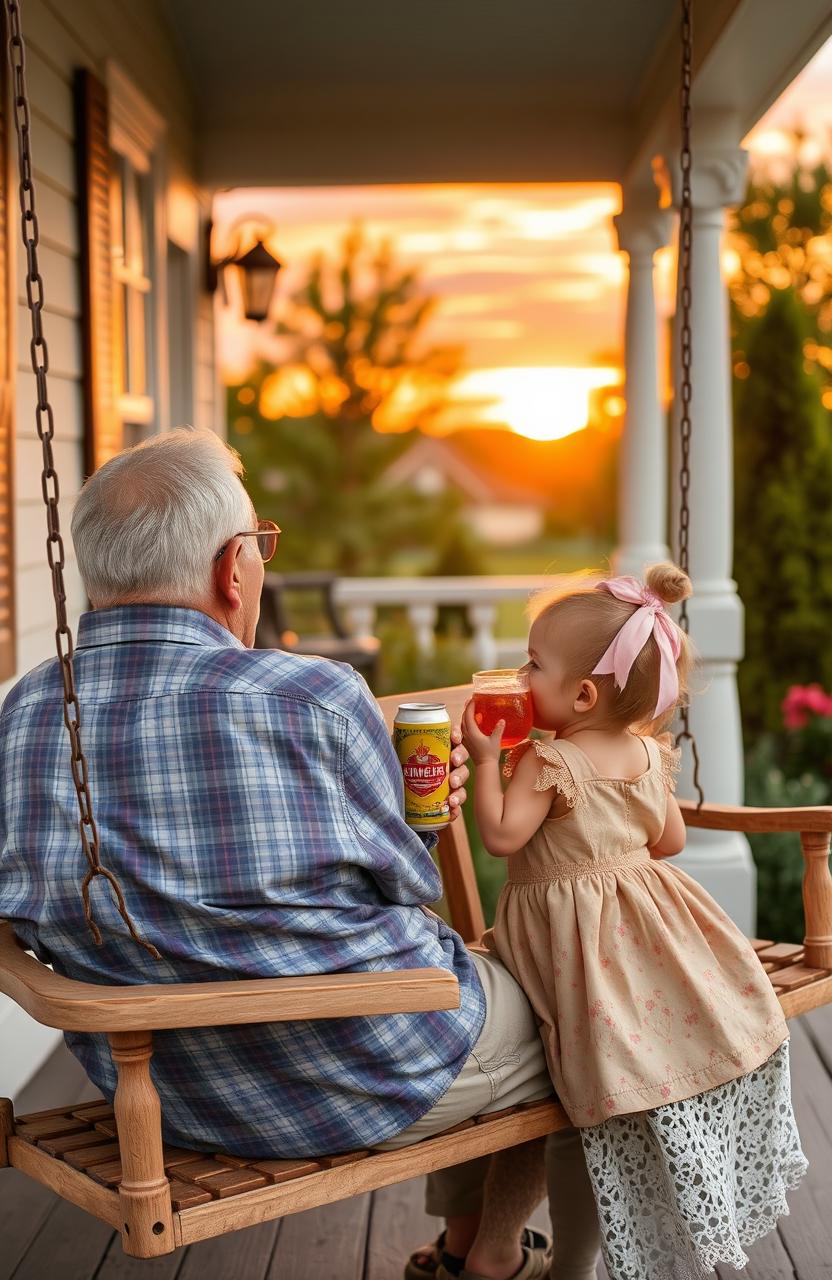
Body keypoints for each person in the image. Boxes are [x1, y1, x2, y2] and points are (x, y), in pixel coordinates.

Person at [0, 428, 601, 1280]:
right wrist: (408, 817)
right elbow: (405, 886)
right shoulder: (312, 695)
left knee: (491, 989)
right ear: (229, 570)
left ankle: (468, 1249)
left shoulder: (24, 712)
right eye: (260, 546)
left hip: (164, 1096)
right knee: (591, 1010)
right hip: (357, 1075)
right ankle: (503, 1257)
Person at [462, 563, 808, 1280]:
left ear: (582, 693)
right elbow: (670, 842)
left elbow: (498, 836)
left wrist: (492, 759)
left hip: (568, 947)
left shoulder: (547, 761)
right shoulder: (649, 753)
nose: (524, 675)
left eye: (534, 663)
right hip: (644, 931)